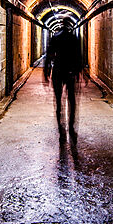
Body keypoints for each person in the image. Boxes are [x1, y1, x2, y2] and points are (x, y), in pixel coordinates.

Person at [43, 16, 82, 146]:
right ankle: (70, 125)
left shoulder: (55, 37)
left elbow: (49, 54)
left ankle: (60, 123)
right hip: (69, 71)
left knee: (58, 98)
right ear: (69, 24)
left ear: (61, 24)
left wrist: (46, 70)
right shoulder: (74, 38)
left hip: (58, 71)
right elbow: (78, 56)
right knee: (71, 98)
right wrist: (79, 71)